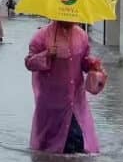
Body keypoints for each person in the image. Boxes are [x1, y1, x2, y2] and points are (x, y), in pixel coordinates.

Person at [24, 20, 108, 154]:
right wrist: (47, 54)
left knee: (77, 138)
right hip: (51, 98)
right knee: (50, 141)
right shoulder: (41, 36)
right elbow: (29, 63)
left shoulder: (81, 35)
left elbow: (83, 61)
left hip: (75, 97)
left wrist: (92, 65)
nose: (71, 21)